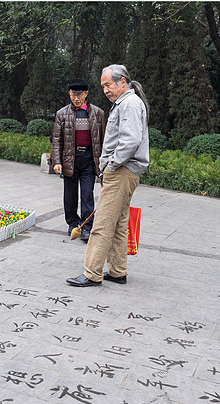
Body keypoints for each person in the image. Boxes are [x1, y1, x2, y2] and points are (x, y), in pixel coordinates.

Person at [67, 64, 150, 287]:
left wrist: (112, 164)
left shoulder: (130, 104)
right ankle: (118, 271)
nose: (105, 90)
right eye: (103, 86)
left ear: (123, 81)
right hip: (125, 171)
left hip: (122, 170)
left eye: (108, 84)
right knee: (119, 223)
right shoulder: (125, 103)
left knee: (102, 223)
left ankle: (92, 273)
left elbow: (131, 140)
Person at [52, 78, 106, 242]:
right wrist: (57, 162)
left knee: (87, 195)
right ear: (69, 94)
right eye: (73, 95)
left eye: (79, 95)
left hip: (89, 158)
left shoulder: (98, 113)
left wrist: (103, 162)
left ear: (86, 94)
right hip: (70, 158)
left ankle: (86, 227)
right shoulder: (62, 114)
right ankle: (72, 223)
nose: (76, 98)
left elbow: (104, 139)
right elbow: (56, 140)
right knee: (70, 195)